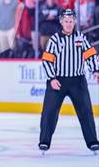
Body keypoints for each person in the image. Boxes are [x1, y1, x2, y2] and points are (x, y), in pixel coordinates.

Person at [40, 9, 99, 153]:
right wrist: (52, 78)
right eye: (66, 21)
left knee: (86, 112)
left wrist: (96, 70)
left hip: (77, 81)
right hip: (57, 81)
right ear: (61, 22)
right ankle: (44, 141)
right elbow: (47, 61)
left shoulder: (81, 38)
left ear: (74, 22)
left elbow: (90, 55)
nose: (68, 24)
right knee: (49, 112)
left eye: (71, 21)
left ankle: (92, 142)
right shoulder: (54, 39)